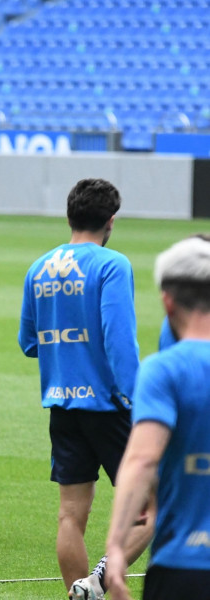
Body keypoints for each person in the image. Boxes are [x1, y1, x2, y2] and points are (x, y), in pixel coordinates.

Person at [17, 178, 154, 599]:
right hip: (110, 404)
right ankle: (98, 579)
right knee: (153, 508)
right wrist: (140, 400)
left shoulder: (39, 267)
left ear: (69, 215)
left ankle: (81, 594)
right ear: (111, 221)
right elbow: (118, 340)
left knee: (70, 516)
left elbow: (29, 342)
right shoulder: (112, 265)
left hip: (62, 404)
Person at [104, 235, 210, 600]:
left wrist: (116, 547)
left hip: (183, 566)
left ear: (168, 302)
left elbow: (143, 458)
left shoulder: (163, 371)